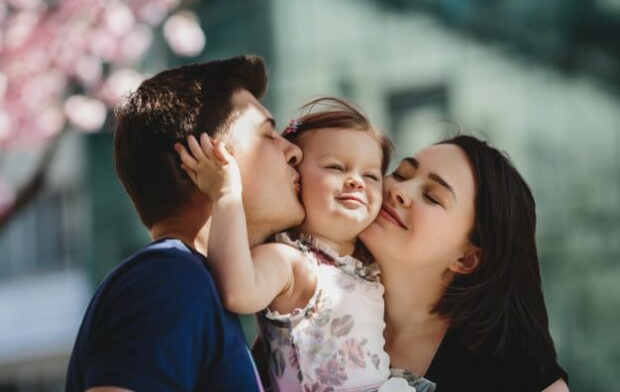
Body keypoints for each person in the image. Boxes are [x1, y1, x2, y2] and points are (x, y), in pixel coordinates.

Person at [65, 56, 305, 391]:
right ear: (198, 160)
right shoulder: (169, 280)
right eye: (268, 135)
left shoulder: (191, 282)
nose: (294, 152)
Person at [176, 97, 436, 391]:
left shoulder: (366, 263)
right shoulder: (292, 262)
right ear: (296, 178)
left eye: (371, 175)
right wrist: (226, 194)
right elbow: (238, 293)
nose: (356, 181)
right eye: (336, 167)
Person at [359, 135, 569, 391]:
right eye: (401, 174)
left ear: (466, 258)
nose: (399, 190)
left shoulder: (515, 374)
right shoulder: (316, 294)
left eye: (433, 197)